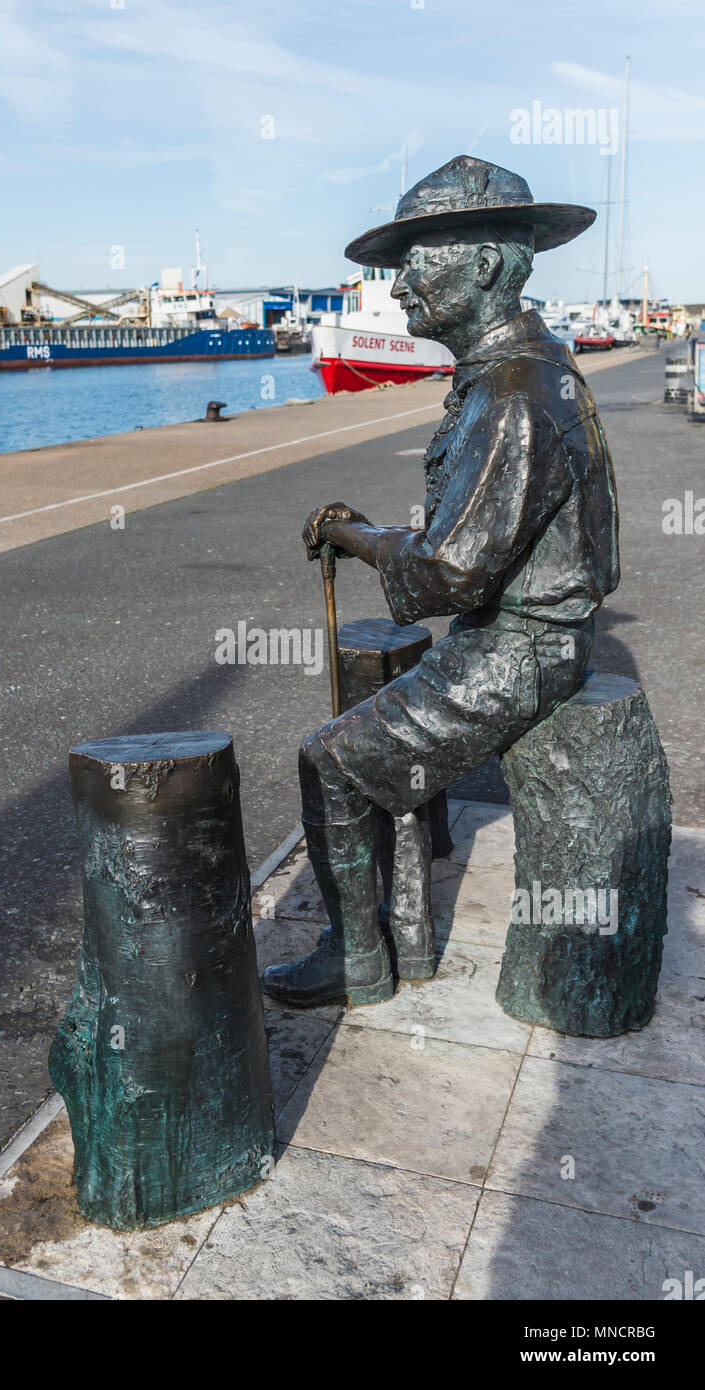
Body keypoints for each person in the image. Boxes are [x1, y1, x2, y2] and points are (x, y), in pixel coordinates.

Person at [262, 155, 620, 1009]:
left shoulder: (511, 395)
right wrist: (367, 538)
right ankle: (404, 942)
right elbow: (458, 540)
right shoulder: (513, 370)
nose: (397, 286)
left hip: (520, 646)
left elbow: (451, 570)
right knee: (361, 739)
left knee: (331, 762)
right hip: (513, 635)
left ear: (487, 264)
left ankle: (356, 957)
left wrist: (352, 535)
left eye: (420, 260)